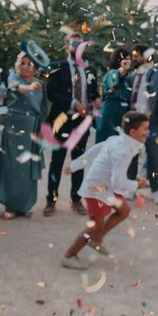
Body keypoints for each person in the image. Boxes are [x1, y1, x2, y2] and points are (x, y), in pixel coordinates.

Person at [61, 111, 150, 269]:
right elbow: (118, 182)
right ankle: (69, 255)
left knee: (124, 210)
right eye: (145, 128)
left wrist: (75, 165)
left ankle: (96, 239)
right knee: (95, 227)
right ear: (133, 132)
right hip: (96, 189)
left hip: (107, 186)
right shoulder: (122, 150)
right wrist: (136, 185)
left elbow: (98, 149)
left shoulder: (118, 140)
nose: (148, 132)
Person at [43, 32, 99, 217]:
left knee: (79, 161)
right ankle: (50, 201)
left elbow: (92, 94)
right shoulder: (57, 67)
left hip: (82, 122)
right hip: (62, 120)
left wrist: (96, 100)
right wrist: (72, 103)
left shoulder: (89, 70)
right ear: (67, 46)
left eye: (81, 43)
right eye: (74, 43)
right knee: (57, 161)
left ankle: (76, 200)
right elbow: (51, 93)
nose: (78, 46)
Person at [0, 52, 47, 218]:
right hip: (14, 126)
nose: (25, 66)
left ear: (35, 67)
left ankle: (24, 205)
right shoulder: (13, 78)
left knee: (28, 167)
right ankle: (9, 205)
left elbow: (43, 109)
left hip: (32, 127)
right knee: (12, 166)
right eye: (22, 63)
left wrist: (42, 129)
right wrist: (30, 88)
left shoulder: (40, 84)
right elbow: (16, 88)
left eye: (30, 64)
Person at [127, 44, 158, 204]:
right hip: (133, 121)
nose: (134, 58)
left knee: (153, 156)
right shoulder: (132, 74)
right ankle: (131, 188)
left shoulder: (155, 72)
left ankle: (156, 189)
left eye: (136, 55)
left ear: (145, 56)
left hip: (151, 123)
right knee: (131, 156)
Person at [95, 47, 131, 143]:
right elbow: (115, 79)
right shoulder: (110, 74)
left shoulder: (127, 79)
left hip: (121, 116)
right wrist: (123, 68)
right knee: (105, 148)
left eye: (129, 59)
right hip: (109, 114)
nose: (129, 62)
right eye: (126, 59)